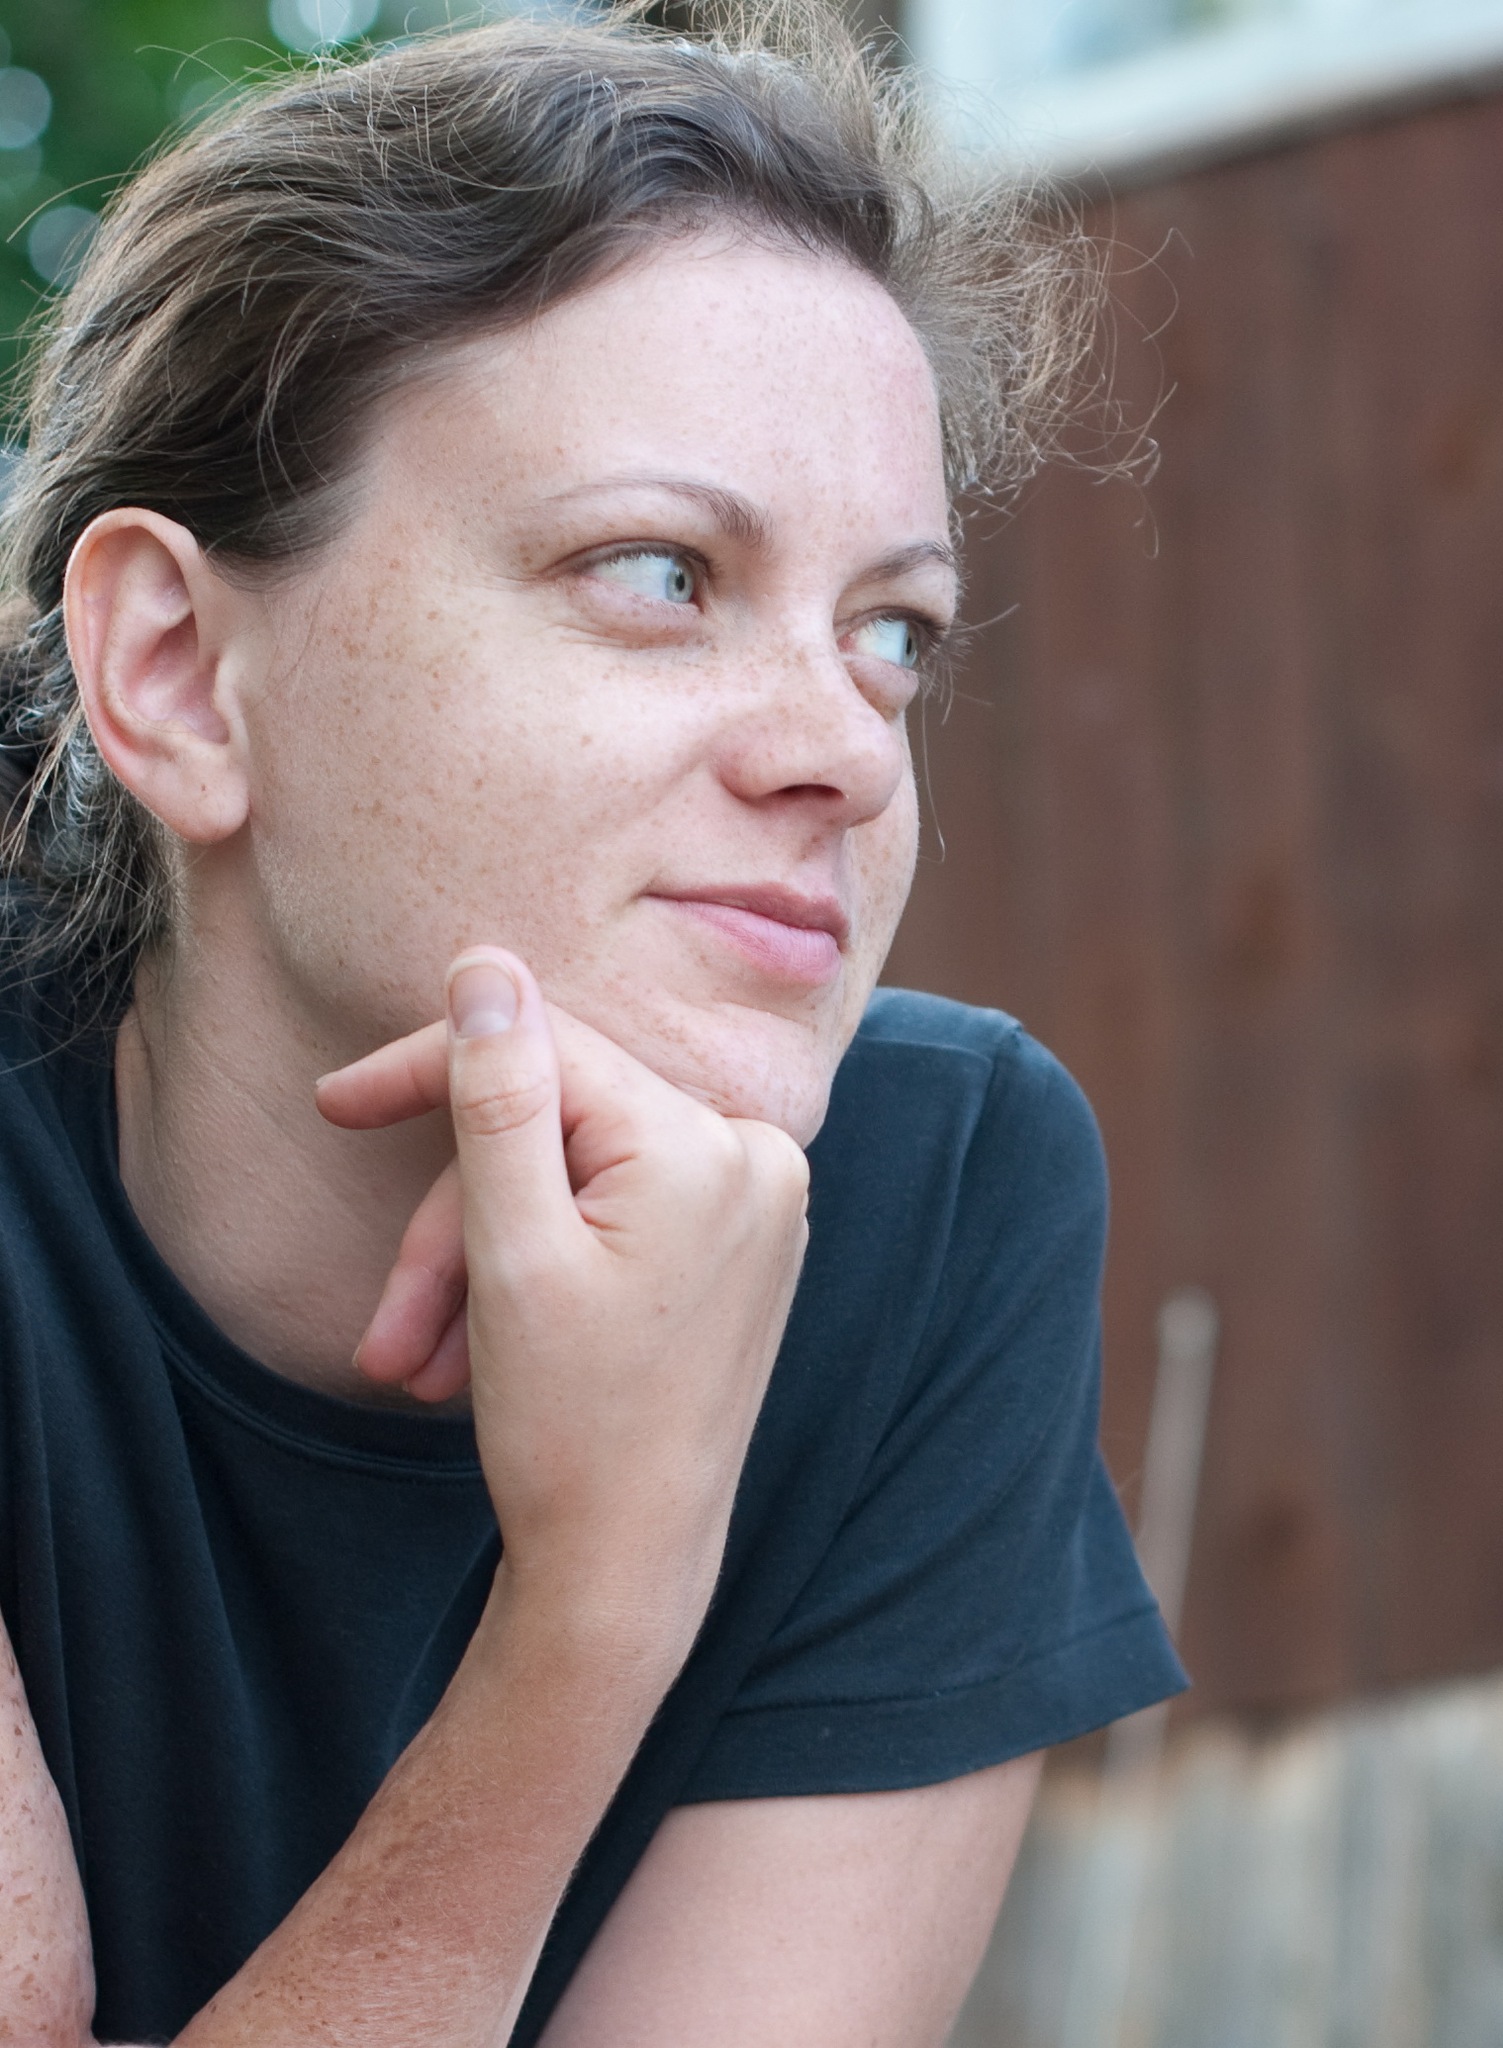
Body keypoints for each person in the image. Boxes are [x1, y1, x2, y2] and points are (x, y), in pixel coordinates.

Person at [0, 6, 1184, 2042]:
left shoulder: (932, 1200)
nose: (848, 752)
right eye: (656, 572)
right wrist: (592, 1618)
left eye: (891, 630)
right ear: (179, 672)